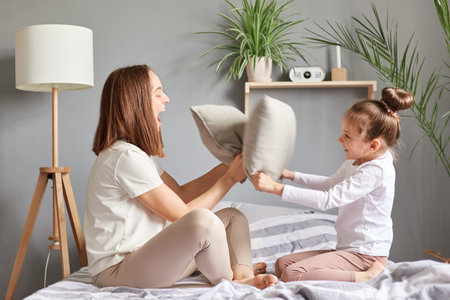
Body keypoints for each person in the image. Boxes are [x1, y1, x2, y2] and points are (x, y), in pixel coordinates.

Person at [83, 64, 277, 289]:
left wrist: (229, 166)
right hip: (118, 270)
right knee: (204, 221)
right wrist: (230, 179)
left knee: (232, 217)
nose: (166, 99)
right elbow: (184, 214)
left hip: (155, 259)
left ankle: (242, 275)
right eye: (158, 93)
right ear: (136, 103)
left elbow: (181, 195)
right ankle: (230, 283)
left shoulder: (137, 155)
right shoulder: (124, 157)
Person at [251, 87, 414, 282]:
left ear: (373, 145)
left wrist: (275, 188)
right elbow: (329, 184)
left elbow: (327, 200)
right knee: (281, 264)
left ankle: (364, 276)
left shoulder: (375, 171)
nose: (340, 139)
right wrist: (290, 175)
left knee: (291, 273)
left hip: (365, 255)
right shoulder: (358, 160)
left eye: (347, 136)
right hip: (348, 249)